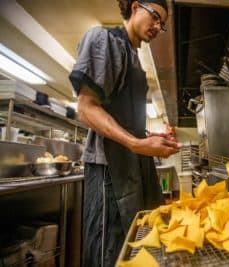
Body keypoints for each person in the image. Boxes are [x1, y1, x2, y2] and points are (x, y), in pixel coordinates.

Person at [69, 0, 180, 266]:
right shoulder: (104, 39)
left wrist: (148, 138)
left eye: (162, 23)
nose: (158, 26)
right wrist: (135, 143)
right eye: (155, 17)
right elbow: (86, 107)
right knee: (110, 251)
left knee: (136, 245)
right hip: (110, 168)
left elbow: (126, 119)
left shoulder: (133, 56)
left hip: (132, 164)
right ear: (134, 7)